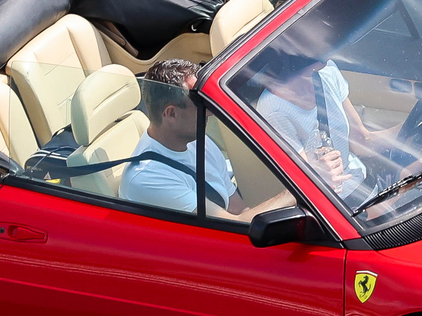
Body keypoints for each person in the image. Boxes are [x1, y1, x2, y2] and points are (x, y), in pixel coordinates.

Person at [245, 43, 385, 206]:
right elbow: (305, 185)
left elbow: (361, 140)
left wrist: (409, 133)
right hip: (339, 206)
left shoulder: (328, 71)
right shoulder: (273, 109)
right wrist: (319, 173)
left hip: (367, 185)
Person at [119, 60, 243, 215]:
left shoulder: (198, 141)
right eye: (199, 103)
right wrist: (284, 195)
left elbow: (236, 208)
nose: (209, 112)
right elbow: (233, 224)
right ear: (171, 113)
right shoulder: (147, 179)